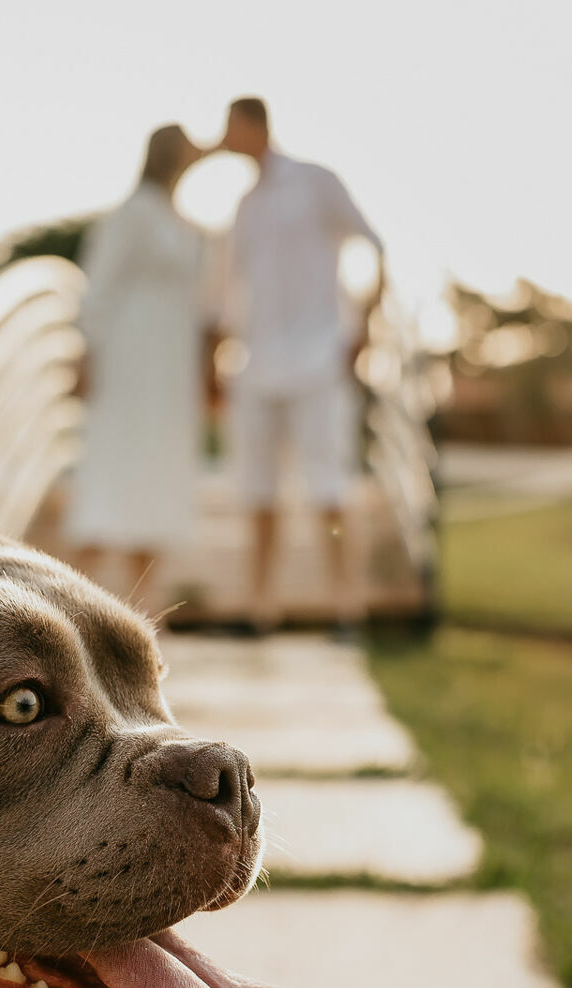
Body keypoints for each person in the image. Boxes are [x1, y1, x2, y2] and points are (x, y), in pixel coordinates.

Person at [214, 96, 384, 630]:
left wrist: (362, 333)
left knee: (327, 487)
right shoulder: (244, 205)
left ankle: (345, 605)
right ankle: (261, 608)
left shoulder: (316, 182)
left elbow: (374, 246)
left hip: (318, 362)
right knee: (258, 491)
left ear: (253, 126)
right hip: (257, 366)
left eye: (230, 128)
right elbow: (224, 291)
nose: (225, 138)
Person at [65, 124, 209, 606]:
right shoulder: (128, 218)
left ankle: (143, 617)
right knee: (112, 482)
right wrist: (87, 353)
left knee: (156, 482)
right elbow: (98, 290)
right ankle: (64, 606)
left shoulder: (181, 221)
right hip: (127, 367)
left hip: (168, 371)